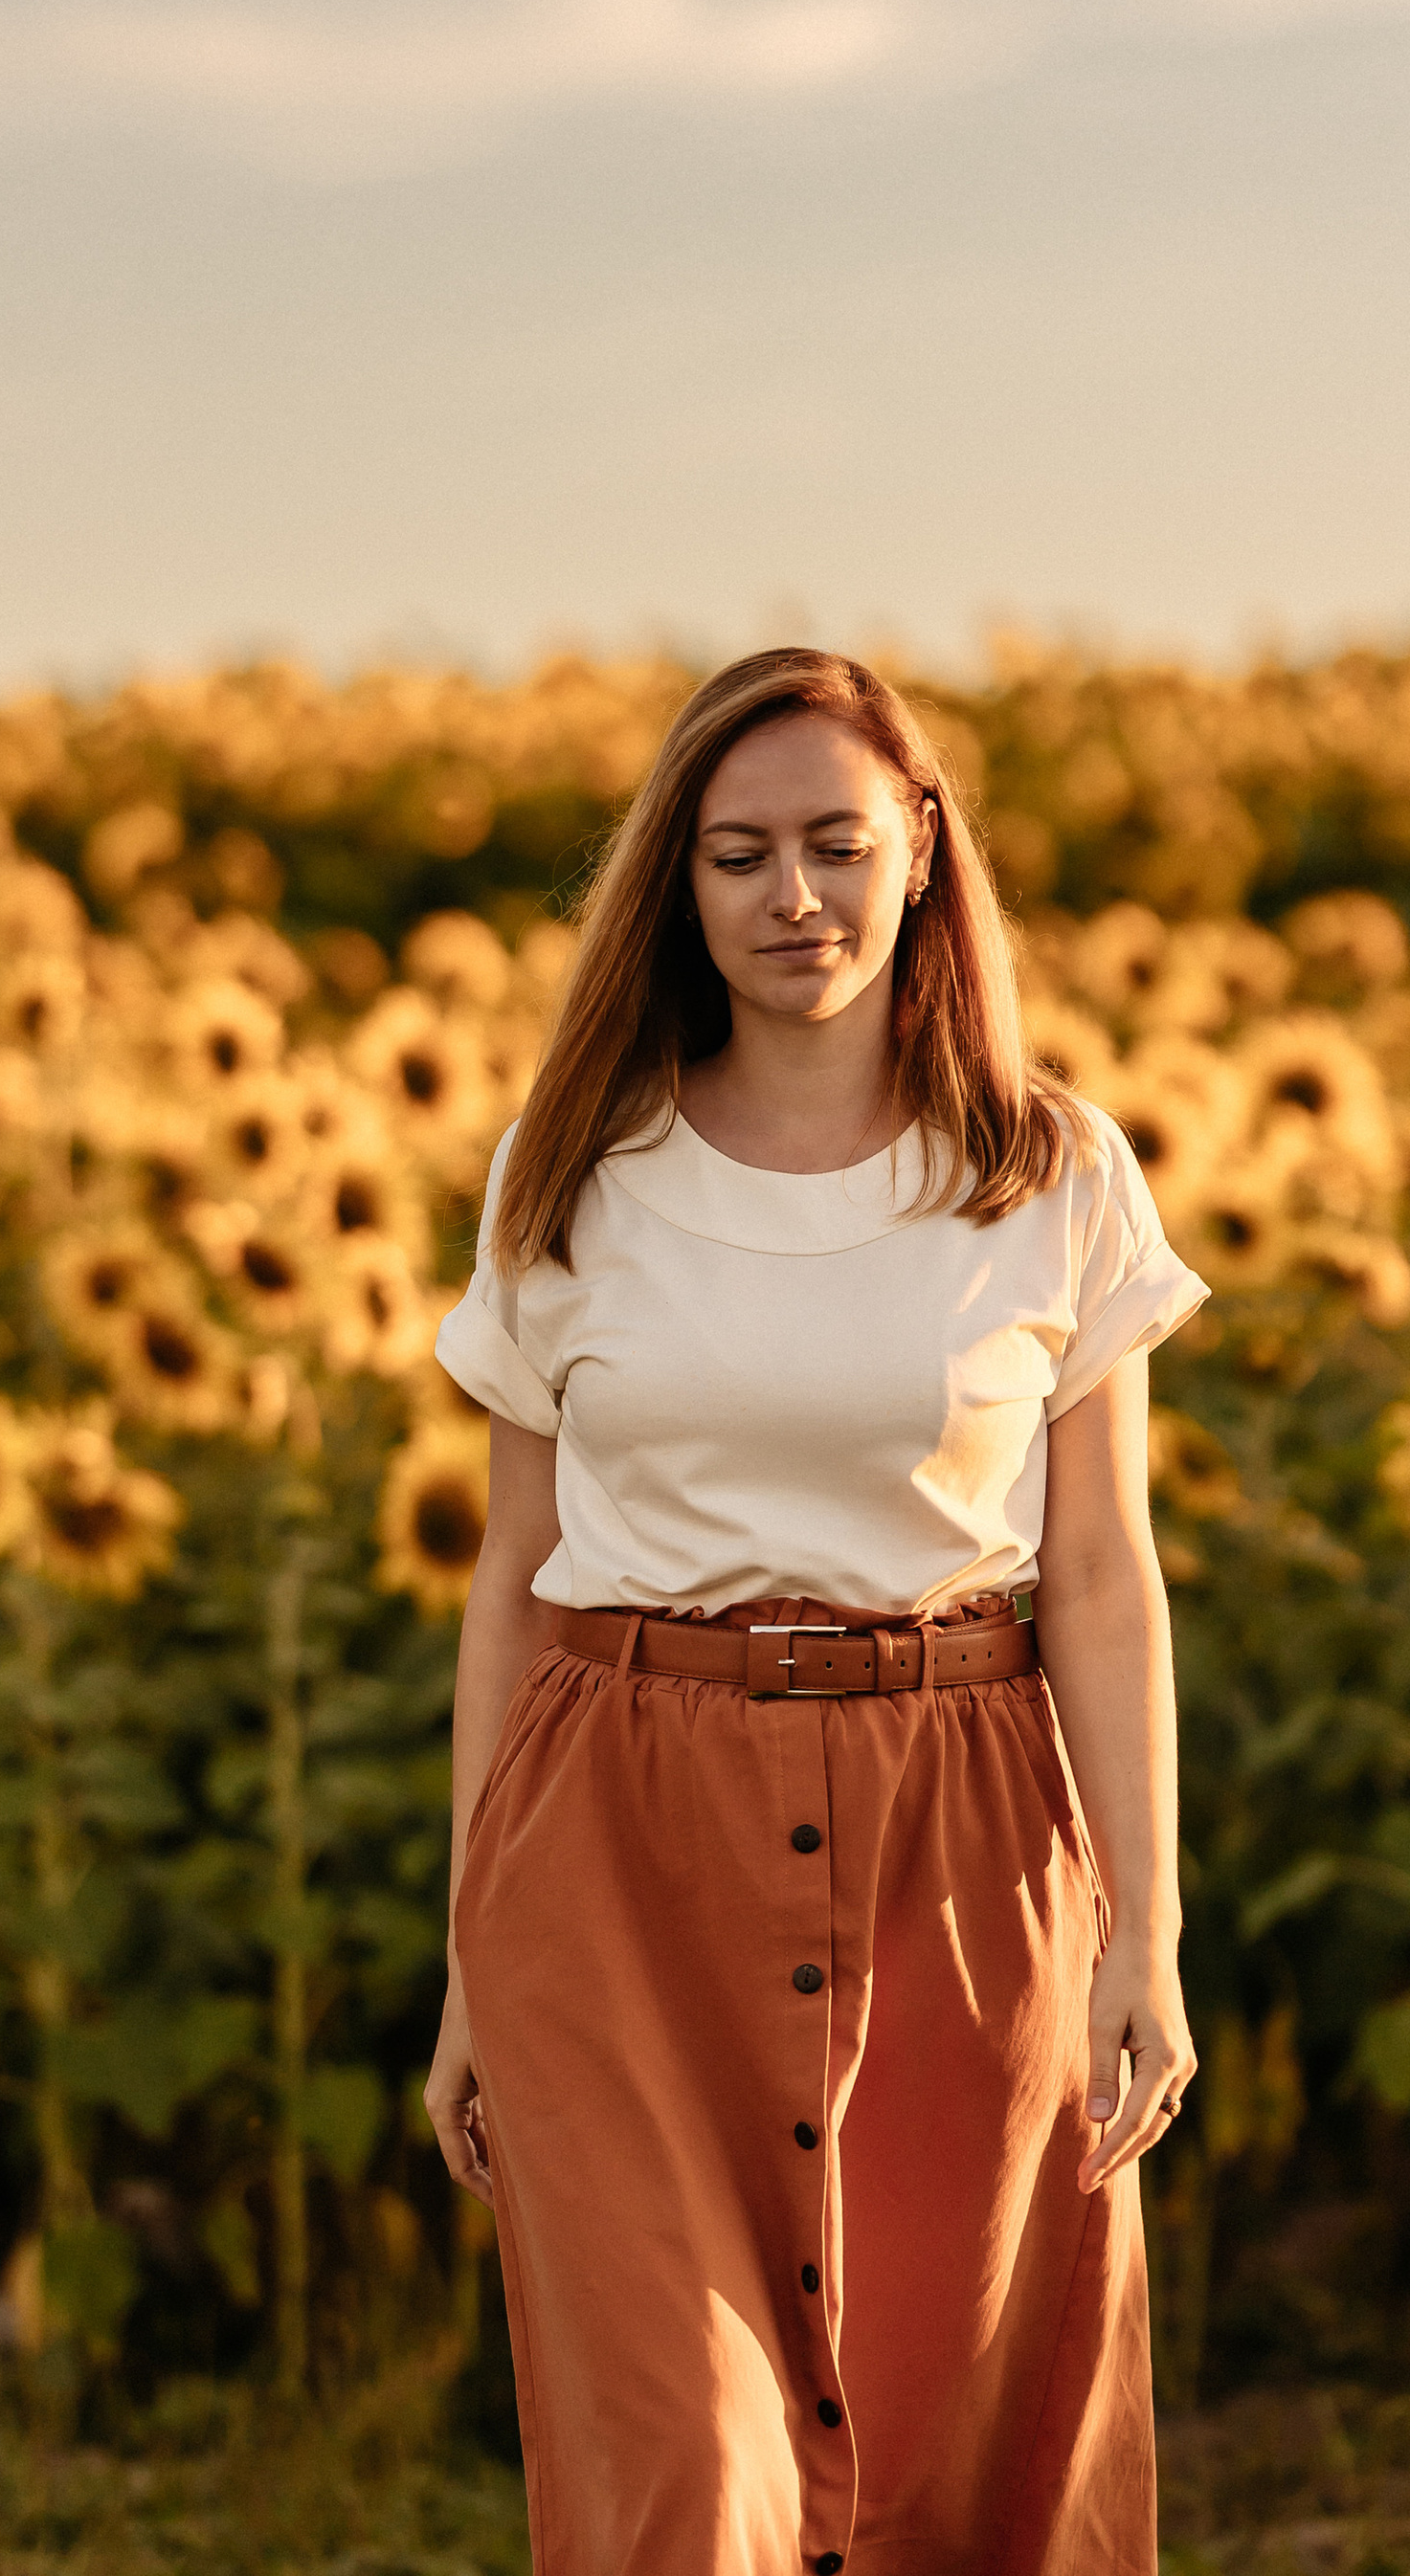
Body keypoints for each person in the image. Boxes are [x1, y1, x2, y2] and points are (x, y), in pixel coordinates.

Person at [422, 648, 1208, 2576]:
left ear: (921, 851)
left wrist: (1147, 1929)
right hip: (615, 1851)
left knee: (965, 2454)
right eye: (740, 855)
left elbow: (1099, 1577)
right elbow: (511, 1583)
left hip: (963, 1840)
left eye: (839, 847)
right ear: (677, 885)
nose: (796, 898)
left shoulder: (1049, 1174)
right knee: (689, 2467)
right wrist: (463, 1958)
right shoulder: (572, 1176)